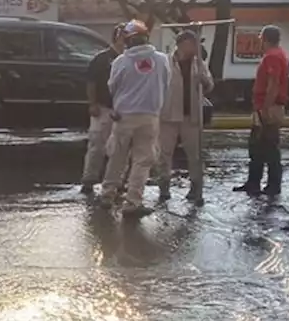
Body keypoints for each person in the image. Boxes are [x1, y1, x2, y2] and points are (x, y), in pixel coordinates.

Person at [102, 20, 171, 217]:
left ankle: (107, 194)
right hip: (149, 116)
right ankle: (133, 202)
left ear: (128, 40)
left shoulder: (120, 62)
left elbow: (112, 87)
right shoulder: (162, 60)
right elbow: (166, 83)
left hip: (124, 116)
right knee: (142, 161)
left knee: (117, 156)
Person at [155, 30, 213, 205]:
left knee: (194, 154)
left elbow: (209, 86)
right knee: (164, 153)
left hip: (191, 115)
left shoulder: (199, 64)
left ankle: (196, 186)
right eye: (193, 43)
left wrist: (204, 79)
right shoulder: (165, 62)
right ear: (182, 45)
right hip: (168, 115)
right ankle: (164, 186)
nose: (196, 47)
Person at [234, 25, 289, 196]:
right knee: (261, 146)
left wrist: (265, 108)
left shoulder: (272, 57)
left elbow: (273, 84)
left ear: (265, 39)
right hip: (269, 106)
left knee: (265, 146)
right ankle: (256, 183)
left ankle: (268, 185)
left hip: (267, 107)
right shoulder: (280, 55)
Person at [80, 23, 126, 194]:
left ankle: (117, 181)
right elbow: (91, 82)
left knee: (121, 147)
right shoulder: (101, 59)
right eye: (122, 36)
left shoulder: (131, 59)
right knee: (97, 145)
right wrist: (92, 103)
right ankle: (89, 179)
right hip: (103, 108)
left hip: (123, 110)